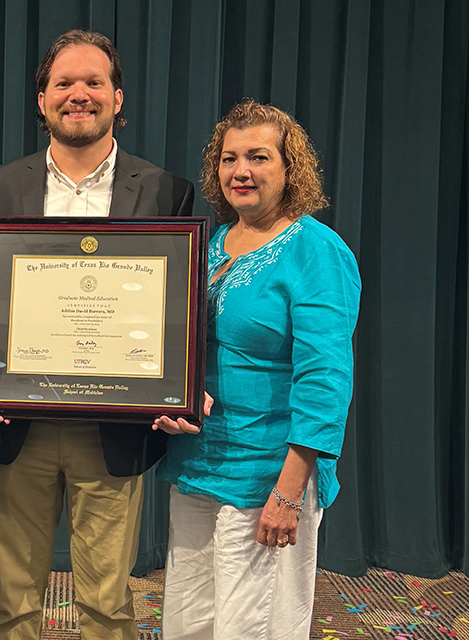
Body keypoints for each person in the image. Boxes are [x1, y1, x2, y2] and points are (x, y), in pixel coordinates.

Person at [0, 30, 195, 640]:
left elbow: (178, 310)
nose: (79, 95)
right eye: (63, 83)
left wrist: (176, 386)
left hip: (113, 427)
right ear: (41, 100)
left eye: (94, 82)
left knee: (108, 604)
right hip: (20, 426)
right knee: (12, 603)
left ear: (118, 98)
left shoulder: (167, 191)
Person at [153, 99, 362, 639]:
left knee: (253, 628)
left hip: (267, 475)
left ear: (290, 169)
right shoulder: (208, 244)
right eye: (229, 158)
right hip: (197, 465)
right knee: (187, 624)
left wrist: (290, 491)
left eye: (259, 157)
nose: (241, 171)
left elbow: (326, 379)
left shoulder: (316, 251)